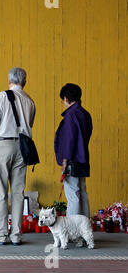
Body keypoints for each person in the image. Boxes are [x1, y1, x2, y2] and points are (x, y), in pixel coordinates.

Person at [0, 67, 36, 246]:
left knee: (0, 192)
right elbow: (29, 126)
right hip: (22, 147)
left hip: (3, 145)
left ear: (9, 81)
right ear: (25, 81)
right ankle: (16, 236)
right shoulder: (30, 101)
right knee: (18, 193)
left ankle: (0, 235)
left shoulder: (2, 96)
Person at [54, 83, 92, 217]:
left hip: (71, 160)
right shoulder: (85, 114)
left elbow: (68, 140)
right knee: (82, 192)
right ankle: (84, 228)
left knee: (73, 195)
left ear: (65, 98)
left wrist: (65, 161)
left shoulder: (70, 115)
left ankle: (73, 230)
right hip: (83, 158)